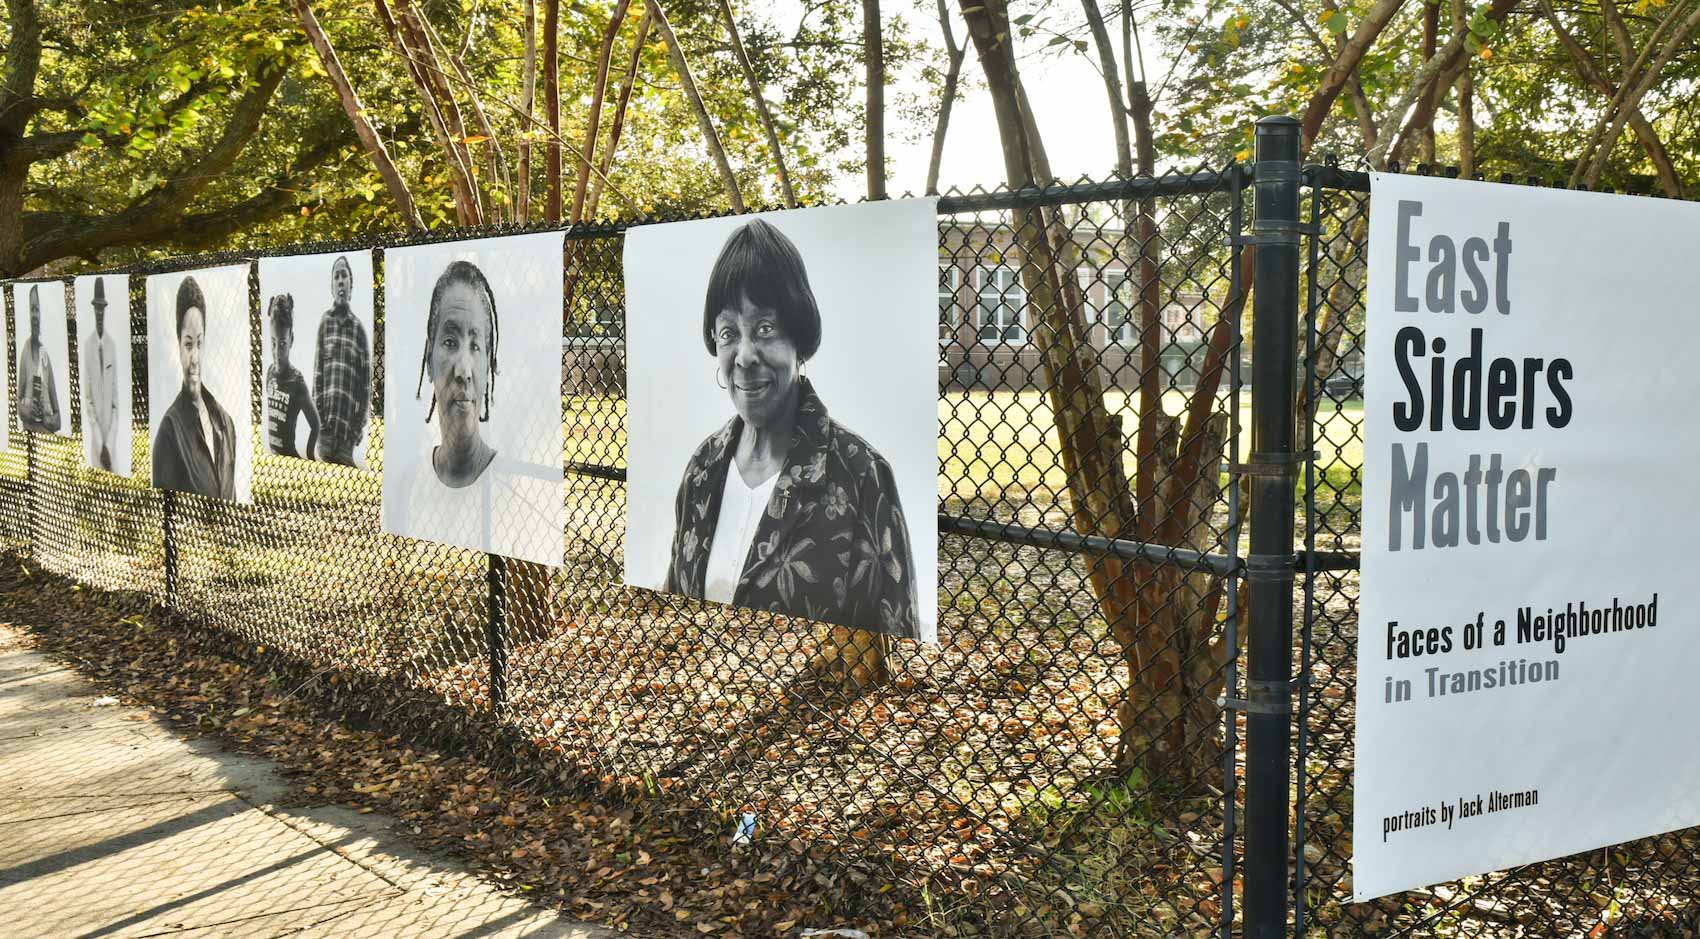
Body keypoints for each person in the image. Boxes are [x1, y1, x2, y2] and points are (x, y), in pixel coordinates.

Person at [662, 219, 918, 638]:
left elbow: (895, 645)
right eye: (729, 333)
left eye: (764, 329)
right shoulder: (702, 469)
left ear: (799, 336)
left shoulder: (861, 477)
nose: (744, 355)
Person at [414, 259, 500, 488]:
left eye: (475, 346)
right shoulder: (411, 484)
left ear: (488, 363)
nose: (463, 371)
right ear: (429, 360)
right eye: (450, 342)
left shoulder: (512, 486)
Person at [152, 276, 237, 500]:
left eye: (200, 343)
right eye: (188, 344)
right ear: (178, 346)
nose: (195, 357)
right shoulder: (169, 431)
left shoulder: (225, 422)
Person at [312, 255, 370, 466]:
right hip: (325, 432)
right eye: (336, 276)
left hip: (347, 437)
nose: (340, 281)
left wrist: (356, 429)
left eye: (344, 275)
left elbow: (365, 388)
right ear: (332, 286)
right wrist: (320, 422)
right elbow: (317, 376)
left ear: (351, 284)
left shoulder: (359, 331)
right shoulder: (325, 323)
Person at [264, 294, 319, 459]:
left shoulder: (296, 381)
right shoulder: (269, 372)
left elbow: (315, 425)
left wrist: (309, 455)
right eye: (273, 343)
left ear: (291, 340)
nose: (277, 352)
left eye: (282, 344)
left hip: (290, 458)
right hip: (272, 460)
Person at [81, 277, 120, 470]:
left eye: (101, 308)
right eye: (96, 308)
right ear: (93, 309)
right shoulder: (88, 346)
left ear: (105, 310)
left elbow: (115, 402)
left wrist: (109, 446)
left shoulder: (111, 346)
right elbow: (88, 401)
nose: (99, 312)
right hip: (96, 439)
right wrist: (99, 444)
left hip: (111, 441)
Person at [17, 284, 62, 434]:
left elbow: (57, 417)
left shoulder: (45, 353)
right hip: (30, 426)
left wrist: (50, 420)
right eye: (32, 310)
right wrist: (25, 410)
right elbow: (18, 399)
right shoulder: (25, 351)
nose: (34, 315)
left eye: (37, 310)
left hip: (46, 430)